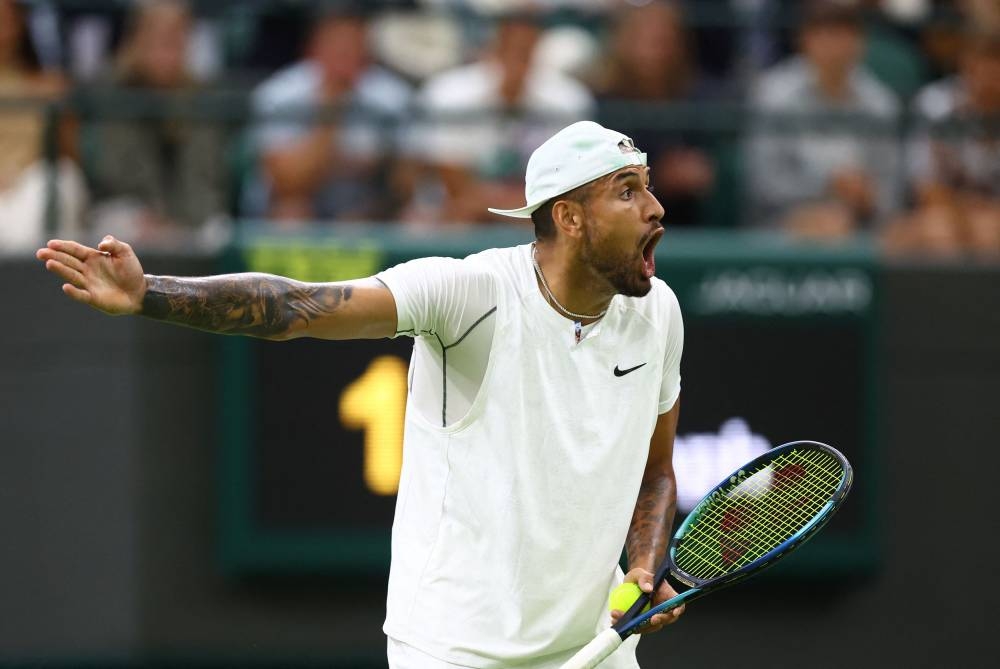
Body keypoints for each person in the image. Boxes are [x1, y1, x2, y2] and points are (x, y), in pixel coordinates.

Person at [36, 120, 685, 668]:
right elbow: (297, 306)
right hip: (453, 650)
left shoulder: (659, 314)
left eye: (648, 187)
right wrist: (149, 292)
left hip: (595, 645)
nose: (655, 208)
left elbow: (654, 471)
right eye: (627, 192)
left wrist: (643, 566)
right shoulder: (473, 296)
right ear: (570, 218)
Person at [410, 12, 593, 223]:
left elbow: (565, 182)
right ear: (492, 49)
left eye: (525, 51)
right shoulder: (449, 94)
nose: (516, 60)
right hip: (459, 214)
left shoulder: (567, 100)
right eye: (508, 49)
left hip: (539, 216)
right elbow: (456, 186)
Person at [746, 0, 900, 238]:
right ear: (805, 40)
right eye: (826, 35)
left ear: (861, 43)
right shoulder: (774, 95)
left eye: (845, 36)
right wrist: (826, 185)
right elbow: (765, 182)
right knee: (826, 228)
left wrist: (866, 195)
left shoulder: (880, 103)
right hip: (783, 219)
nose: (836, 47)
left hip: (862, 223)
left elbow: (891, 189)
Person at [82, 0, 228, 244]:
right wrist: (155, 217)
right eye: (159, 38)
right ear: (138, 38)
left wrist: (183, 221)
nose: (168, 50)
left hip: (190, 216)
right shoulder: (112, 92)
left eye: (176, 38)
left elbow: (208, 175)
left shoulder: (200, 97)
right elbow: (111, 173)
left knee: (219, 232)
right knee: (121, 228)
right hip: (127, 209)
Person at [247, 7, 411, 223]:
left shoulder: (392, 97)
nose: (346, 60)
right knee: (292, 213)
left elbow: (406, 184)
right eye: (338, 49)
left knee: (414, 217)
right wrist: (331, 111)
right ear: (313, 49)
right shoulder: (279, 95)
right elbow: (289, 183)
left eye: (355, 49)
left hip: (369, 207)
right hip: (297, 205)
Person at [593, 0, 725, 227]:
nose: (656, 50)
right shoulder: (603, 105)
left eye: (664, 40)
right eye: (646, 40)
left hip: (690, 222)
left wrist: (700, 170)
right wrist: (659, 176)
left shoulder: (702, 101)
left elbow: (716, 166)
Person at [887, 27, 1000, 256]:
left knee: (989, 232)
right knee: (937, 232)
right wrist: (963, 211)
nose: (990, 72)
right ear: (966, 63)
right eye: (984, 60)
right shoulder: (934, 105)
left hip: (992, 217)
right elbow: (924, 187)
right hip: (941, 212)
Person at [0, 0, 87, 251]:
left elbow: (70, 154)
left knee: (62, 181)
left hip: (29, 188)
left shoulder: (48, 86)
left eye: (8, 17)